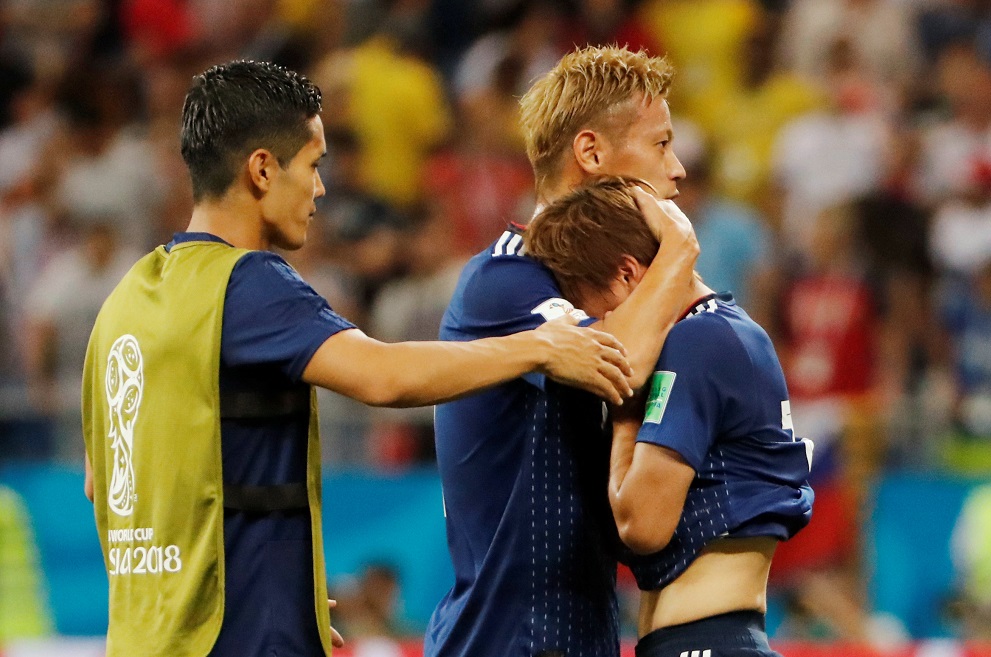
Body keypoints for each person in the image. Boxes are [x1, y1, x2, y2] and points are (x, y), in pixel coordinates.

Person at [80, 59, 635, 657]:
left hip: (144, 637)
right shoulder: (249, 284)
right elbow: (382, 377)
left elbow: (100, 481)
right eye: (313, 165)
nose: (320, 189)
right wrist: (540, 346)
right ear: (262, 169)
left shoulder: (127, 299)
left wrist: (258, 577)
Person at [426, 46, 699, 657]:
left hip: (576, 638)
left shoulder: (611, 290)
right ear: (591, 153)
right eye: (660, 145)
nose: (677, 170)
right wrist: (679, 252)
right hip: (504, 643)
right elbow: (618, 363)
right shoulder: (505, 278)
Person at [525, 176, 814, 657]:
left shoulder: (698, 341)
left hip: (706, 640)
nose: (601, 329)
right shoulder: (728, 330)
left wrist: (624, 409)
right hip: (710, 638)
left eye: (595, 312)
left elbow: (642, 525)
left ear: (627, 274)